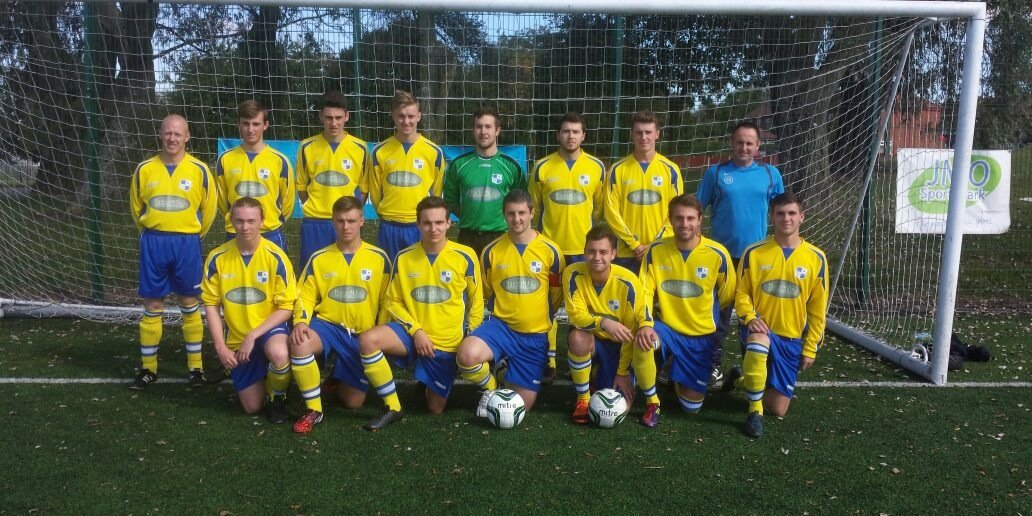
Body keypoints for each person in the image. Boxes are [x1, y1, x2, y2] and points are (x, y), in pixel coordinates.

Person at [357, 196, 483, 430]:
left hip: (446, 343)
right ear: (418, 224)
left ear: (448, 224)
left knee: (435, 409)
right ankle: (393, 407)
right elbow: (393, 301)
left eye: (438, 222)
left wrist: (471, 337)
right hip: (412, 334)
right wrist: (416, 331)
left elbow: (476, 301)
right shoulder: (404, 257)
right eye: (426, 223)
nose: (433, 228)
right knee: (368, 340)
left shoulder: (465, 256)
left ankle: (430, 378)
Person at [725, 192, 828, 438]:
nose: (786, 218)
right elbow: (741, 293)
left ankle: (740, 379)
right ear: (772, 217)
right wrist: (749, 318)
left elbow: (817, 308)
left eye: (792, 213)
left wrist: (810, 347)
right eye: (780, 213)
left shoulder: (816, 258)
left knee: (779, 409)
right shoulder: (754, 252)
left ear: (801, 217)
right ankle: (754, 412)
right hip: (758, 330)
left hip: (790, 337)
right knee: (759, 342)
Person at [287, 196, 391, 434]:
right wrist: (301, 322)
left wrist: (381, 330)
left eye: (352, 221)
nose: (346, 227)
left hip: (361, 333)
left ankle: (336, 376)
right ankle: (314, 410)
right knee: (300, 343)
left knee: (353, 402)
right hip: (327, 326)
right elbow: (305, 297)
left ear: (362, 221)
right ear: (333, 222)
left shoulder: (379, 258)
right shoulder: (319, 258)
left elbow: (387, 301)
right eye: (341, 221)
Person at [128, 114, 218, 389]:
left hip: (186, 244)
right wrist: (152, 230)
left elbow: (210, 209)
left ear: (187, 136)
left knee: (190, 304)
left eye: (178, 134)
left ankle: (196, 369)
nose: (172, 138)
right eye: (167, 133)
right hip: (153, 242)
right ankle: (148, 369)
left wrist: (189, 234)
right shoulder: (144, 169)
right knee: (153, 305)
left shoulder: (200, 170)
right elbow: (136, 208)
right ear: (160, 134)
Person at [456, 190, 564, 414]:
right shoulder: (491, 252)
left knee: (518, 408)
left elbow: (556, 294)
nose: (517, 219)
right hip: (501, 328)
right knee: (467, 356)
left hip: (534, 337)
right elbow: (488, 290)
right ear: (504, 215)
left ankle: (503, 369)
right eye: (511, 213)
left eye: (522, 213)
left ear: (532, 213)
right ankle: (491, 387)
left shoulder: (551, 251)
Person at [696, 121, 785, 387]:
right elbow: (698, 211)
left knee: (755, 318)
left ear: (758, 147)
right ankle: (712, 366)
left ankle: (753, 369)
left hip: (756, 260)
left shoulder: (771, 175)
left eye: (749, 143)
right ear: (731, 144)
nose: (744, 147)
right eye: (739, 142)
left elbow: (782, 213)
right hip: (722, 259)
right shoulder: (717, 173)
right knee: (718, 316)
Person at [634, 194, 736, 417]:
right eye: (679, 218)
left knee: (691, 409)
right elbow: (644, 292)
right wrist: (645, 324)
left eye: (691, 218)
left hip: (700, 337)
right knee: (644, 340)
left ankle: (675, 369)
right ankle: (653, 402)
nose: (685, 224)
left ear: (700, 219)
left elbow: (727, 296)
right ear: (670, 219)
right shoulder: (656, 250)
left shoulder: (718, 254)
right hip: (667, 330)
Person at [201, 197, 298, 423]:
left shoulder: (276, 257)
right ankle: (266, 374)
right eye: (240, 221)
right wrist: (221, 348)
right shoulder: (217, 258)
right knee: (252, 408)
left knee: (279, 353)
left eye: (251, 221)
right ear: (231, 221)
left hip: (269, 330)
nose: (245, 227)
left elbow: (286, 307)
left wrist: (254, 335)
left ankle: (278, 397)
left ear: (262, 222)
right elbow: (211, 304)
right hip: (237, 337)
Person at [528, 112, 607, 383]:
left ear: (583, 135)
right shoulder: (542, 167)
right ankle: (548, 360)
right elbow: (533, 208)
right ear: (558, 135)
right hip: (552, 252)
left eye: (575, 131)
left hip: (584, 252)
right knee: (547, 305)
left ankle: (587, 359)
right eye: (565, 131)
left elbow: (597, 208)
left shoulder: (596, 167)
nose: (570, 136)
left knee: (584, 307)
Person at [563, 226, 660, 427]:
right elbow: (576, 316)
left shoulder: (628, 281)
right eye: (591, 251)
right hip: (594, 340)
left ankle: (653, 402)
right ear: (584, 251)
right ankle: (583, 398)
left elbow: (630, 333)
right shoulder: (572, 274)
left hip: (621, 346)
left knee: (618, 407)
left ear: (613, 254)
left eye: (603, 252)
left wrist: (622, 372)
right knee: (577, 337)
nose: (596, 257)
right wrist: (604, 322)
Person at [296, 91, 373, 268]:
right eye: (329, 117)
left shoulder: (360, 148)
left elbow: (363, 189)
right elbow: (301, 186)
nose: (334, 123)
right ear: (321, 117)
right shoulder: (306, 146)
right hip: (315, 222)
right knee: (312, 273)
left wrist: (350, 215)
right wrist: (315, 206)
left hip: (345, 223)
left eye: (338, 117)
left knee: (344, 274)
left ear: (347, 116)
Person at [368, 90, 446, 259]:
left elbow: (436, 193)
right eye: (401, 116)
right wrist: (386, 212)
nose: (406, 121)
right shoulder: (379, 152)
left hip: (420, 226)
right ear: (393, 116)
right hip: (389, 225)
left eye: (411, 116)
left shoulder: (433, 152)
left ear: (419, 116)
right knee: (390, 276)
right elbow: (374, 192)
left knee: (419, 277)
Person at [604, 110, 683, 271]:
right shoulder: (617, 170)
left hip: (662, 250)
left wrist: (654, 245)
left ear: (657, 134)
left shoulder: (671, 170)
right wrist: (634, 245)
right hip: (627, 253)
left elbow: (678, 212)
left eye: (648, 132)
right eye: (639, 132)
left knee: (660, 297)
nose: (643, 137)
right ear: (632, 135)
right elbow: (611, 212)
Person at [443, 107, 526, 257]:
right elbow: (450, 200)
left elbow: (521, 202)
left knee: (498, 280)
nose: (483, 132)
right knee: (468, 279)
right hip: (467, 236)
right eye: (478, 126)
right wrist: (469, 215)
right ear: (473, 130)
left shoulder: (511, 167)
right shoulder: (459, 164)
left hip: (501, 236)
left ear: (497, 130)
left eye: (488, 126)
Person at [215, 100, 295, 252]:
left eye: (256, 124)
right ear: (238, 124)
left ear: (266, 125)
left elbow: (288, 200)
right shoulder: (225, 160)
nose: (250, 129)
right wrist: (237, 219)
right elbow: (222, 201)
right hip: (236, 232)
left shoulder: (279, 161)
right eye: (245, 123)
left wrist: (272, 219)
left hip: (270, 231)